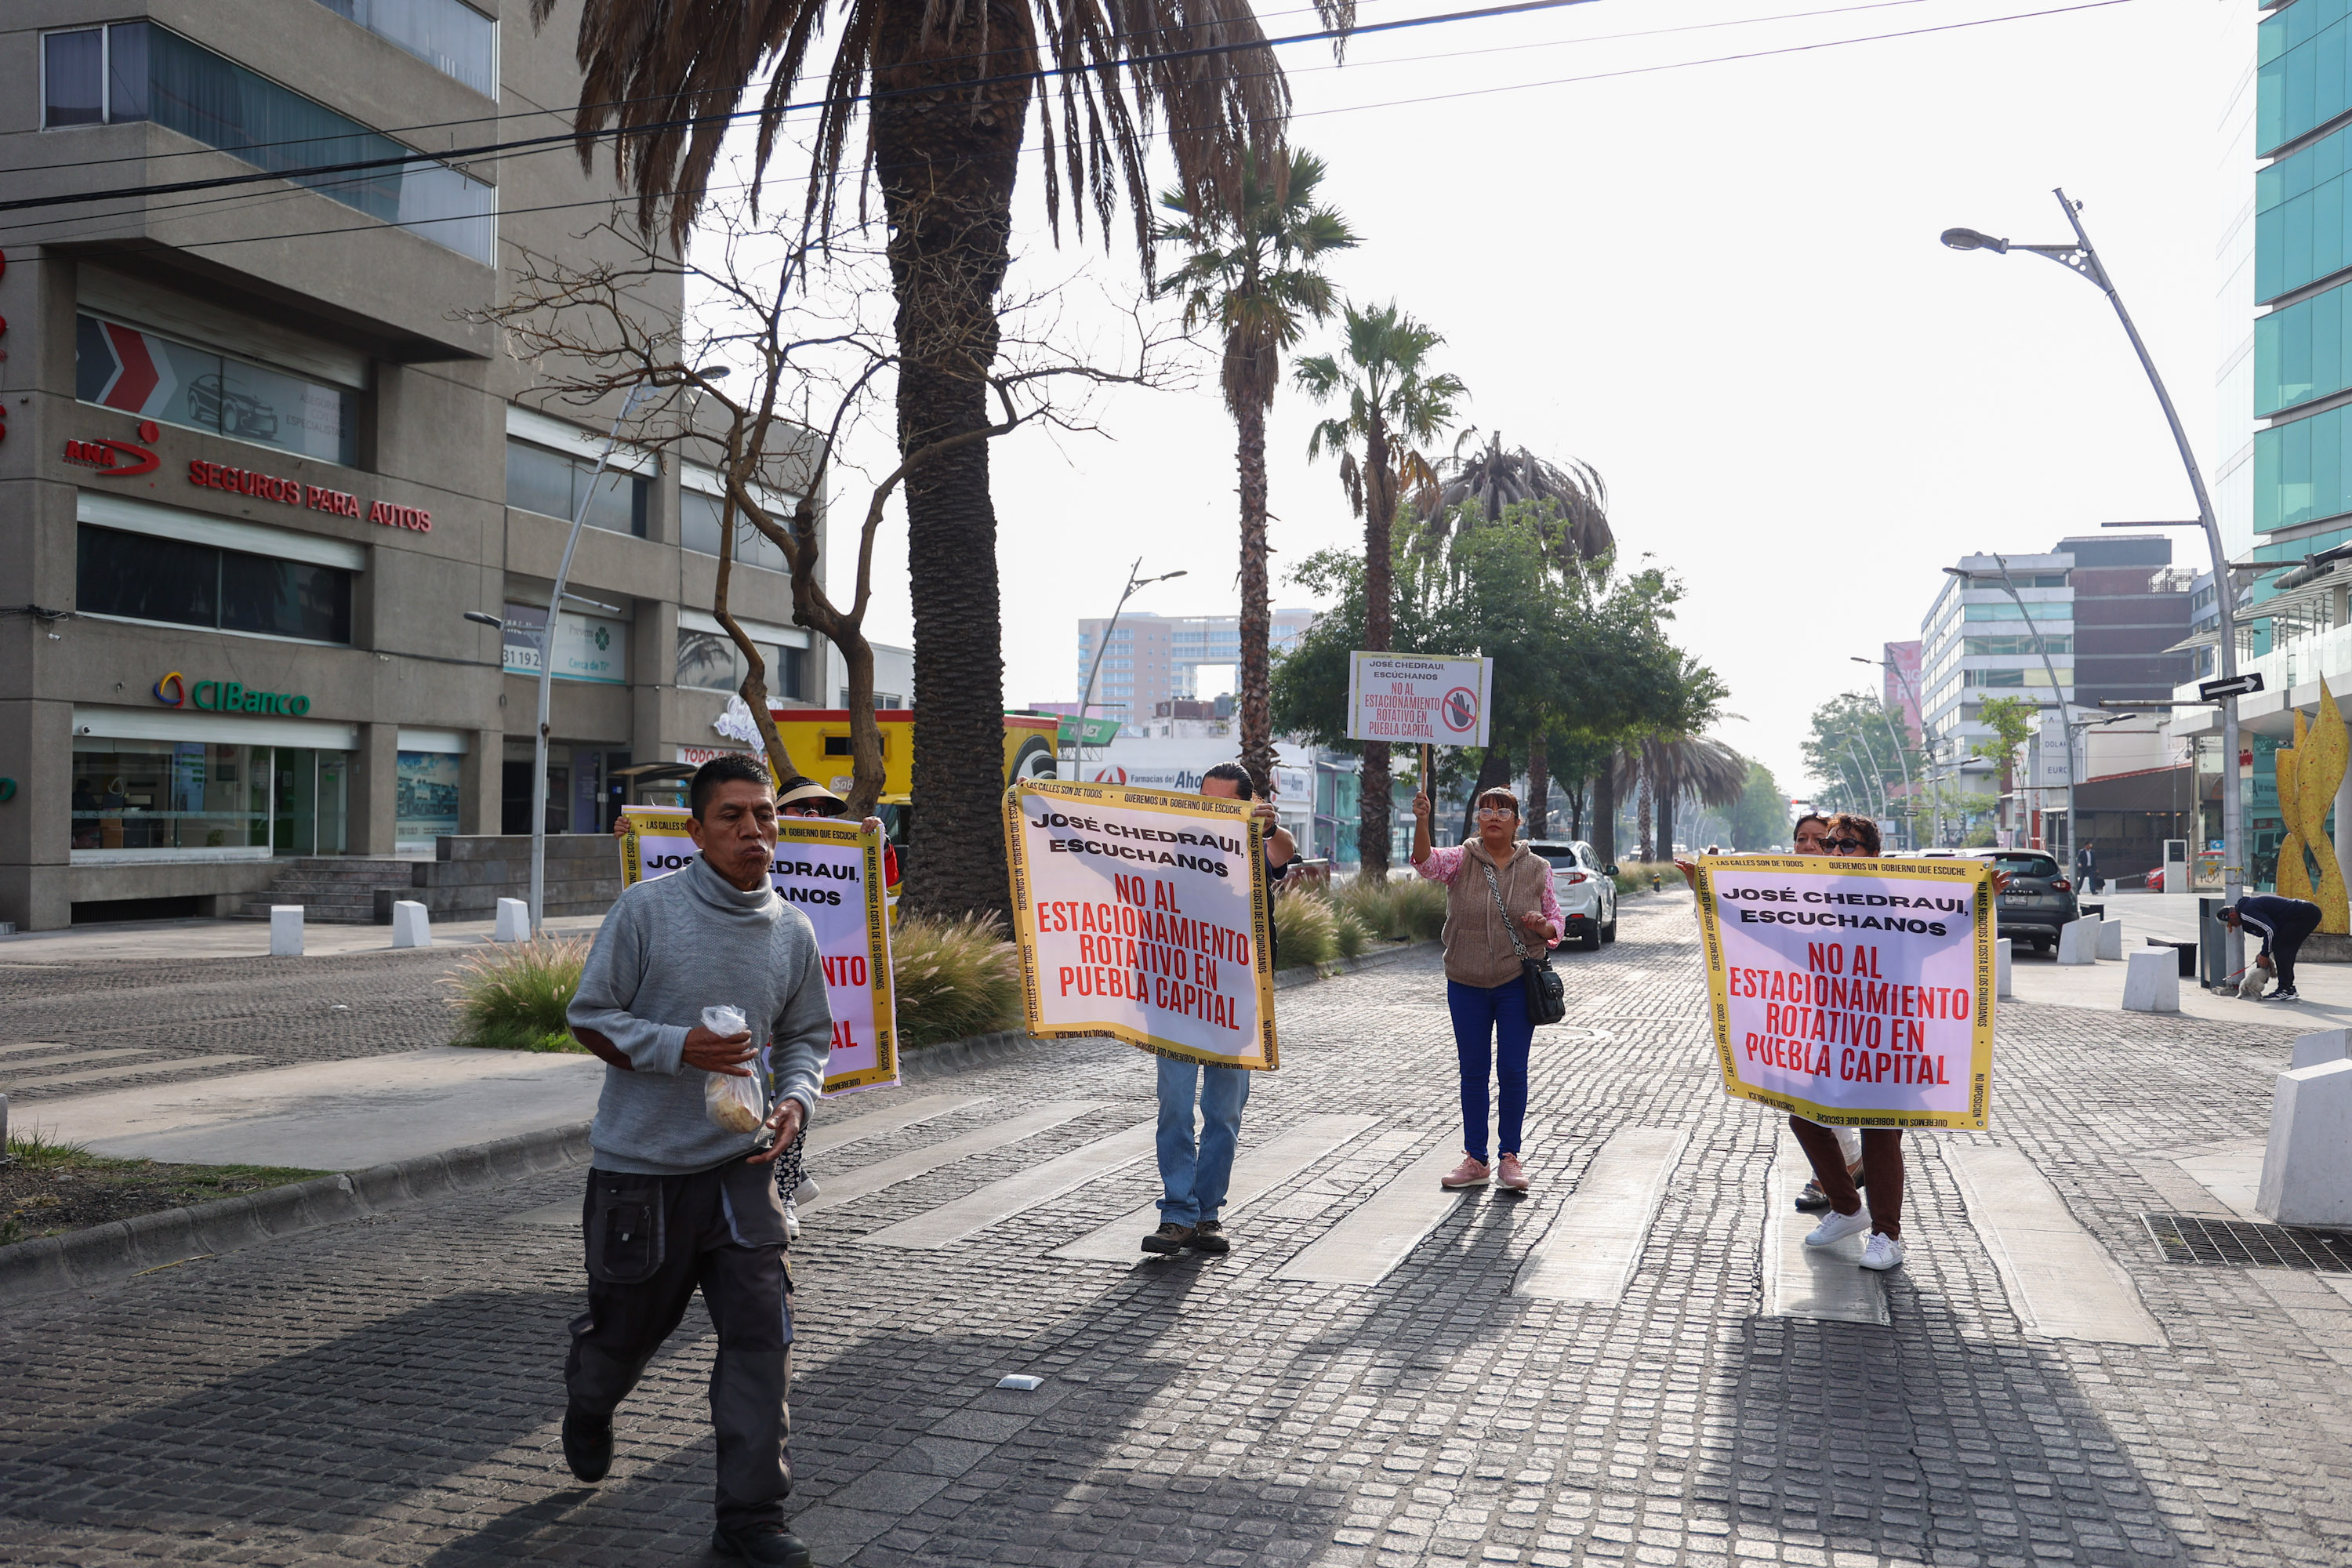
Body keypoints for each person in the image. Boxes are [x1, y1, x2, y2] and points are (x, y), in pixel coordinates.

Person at [561, 753, 828, 1568]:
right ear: (696, 830)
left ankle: (750, 1519)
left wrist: (795, 1100)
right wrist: (683, 1047)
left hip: (745, 1170)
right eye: (734, 816)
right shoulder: (648, 910)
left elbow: (809, 1035)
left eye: (765, 815)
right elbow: (589, 1017)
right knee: (626, 1330)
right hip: (641, 1171)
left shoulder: (793, 927)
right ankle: (591, 1397)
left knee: (762, 1338)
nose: (755, 830)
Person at [1143, 761, 1296, 1255]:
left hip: (1237, 999)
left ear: (1246, 805)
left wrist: (1266, 826)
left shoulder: (1257, 840)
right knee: (1174, 1106)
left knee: (1224, 1112)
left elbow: (1283, 850)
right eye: (1202, 798)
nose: (1206, 810)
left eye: (1220, 802)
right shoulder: (1180, 840)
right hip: (1179, 997)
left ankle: (1206, 1213)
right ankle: (1177, 1212)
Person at [1410, 785, 1563, 1192]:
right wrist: (1422, 820)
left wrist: (1542, 926)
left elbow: (1556, 924)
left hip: (1516, 982)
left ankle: (1509, 1157)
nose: (1493, 816)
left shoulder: (1538, 868)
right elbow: (1425, 863)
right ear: (1478, 818)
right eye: (1485, 810)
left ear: (1516, 821)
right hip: (1465, 981)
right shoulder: (1461, 860)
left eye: (1502, 810)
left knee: (1513, 1070)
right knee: (1473, 1072)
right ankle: (1475, 1159)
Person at [1788, 812, 1909, 1272]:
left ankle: (1886, 1236)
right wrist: (1711, 896)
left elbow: (1936, 941)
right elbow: (1781, 937)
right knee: (1804, 1115)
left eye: (1847, 844)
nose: (1834, 851)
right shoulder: (1821, 898)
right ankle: (1846, 1208)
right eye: (1831, 844)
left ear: (1873, 854)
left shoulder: (1894, 900)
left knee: (1880, 1136)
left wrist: (1981, 902)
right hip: (1835, 1031)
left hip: (1887, 1033)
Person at [2222, 892, 2323, 1002]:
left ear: (2232, 915)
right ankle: (2288, 988)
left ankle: (2285, 989)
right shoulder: (2247, 909)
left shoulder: (2246, 912)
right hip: (2306, 913)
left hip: (2304, 915)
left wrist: (2264, 954)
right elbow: (2265, 931)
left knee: (2282, 948)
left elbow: (2270, 930)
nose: (2234, 926)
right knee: (2282, 947)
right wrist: (2263, 953)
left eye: (2231, 923)